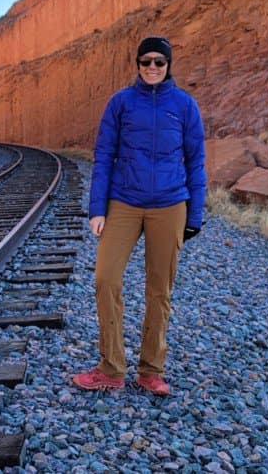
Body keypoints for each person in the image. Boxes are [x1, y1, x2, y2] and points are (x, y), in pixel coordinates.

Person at [72, 35, 206, 396]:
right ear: (137, 64)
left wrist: (196, 212)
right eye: (145, 61)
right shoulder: (121, 103)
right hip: (124, 201)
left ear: (168, 65)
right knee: (106, 278)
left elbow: (196, 161)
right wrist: (97, 208)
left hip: (170, 204)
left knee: (159, 290)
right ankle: (112, 367)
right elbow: (103, 157)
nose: (152, 68)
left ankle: (151, 371)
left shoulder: (184, 105)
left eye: (158, 62)